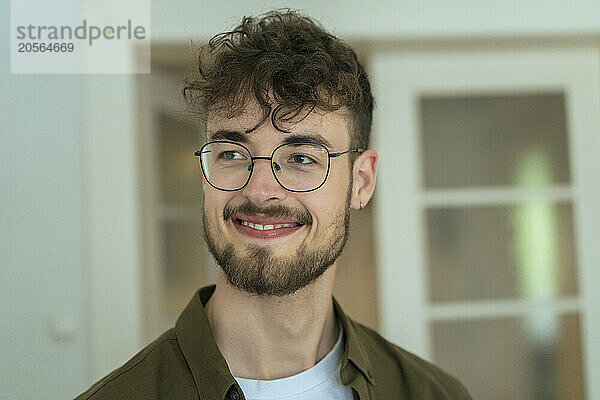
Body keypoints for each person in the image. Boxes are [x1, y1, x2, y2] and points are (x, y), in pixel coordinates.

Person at [75, 9, 472, 400]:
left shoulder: (433, 394)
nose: (261, 190)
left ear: (361, 181)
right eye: (231, 153)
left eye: (302, 158)